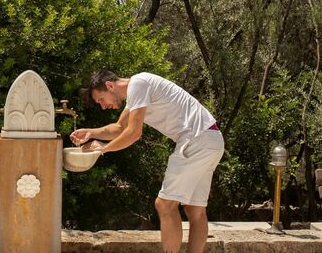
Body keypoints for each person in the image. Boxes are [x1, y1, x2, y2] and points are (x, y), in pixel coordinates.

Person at [72, 71, 224, 253]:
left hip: (195, 140)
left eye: (101, 99)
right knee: (195, 210)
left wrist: (103, 149)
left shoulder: (138, 84)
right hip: (211, 139)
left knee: (164, 204)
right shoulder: (139, 89)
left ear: (110, 86)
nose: (103, 106)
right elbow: (119, 128)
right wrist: (91, 132)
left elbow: (134, 133)